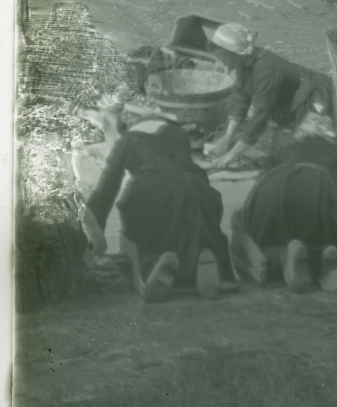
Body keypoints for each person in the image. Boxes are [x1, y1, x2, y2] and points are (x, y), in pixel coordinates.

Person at [82, 110, 236, 303]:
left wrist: (92, 238)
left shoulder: (126, 140)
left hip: (151, 188)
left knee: (145, 231)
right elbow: (178, 186)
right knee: (191, 223)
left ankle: (154, 264)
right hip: (199, 188)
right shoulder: (179, 134)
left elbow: (105, 192)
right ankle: (201, 258)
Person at [230, 120, 337, 294]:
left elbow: (263, 177)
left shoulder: (285, 149)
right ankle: (325, 258)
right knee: (325, 233)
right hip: (321, 185)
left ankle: (284, 256)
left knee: (263, 237)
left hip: (277, 183)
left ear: (301, 135)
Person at [206, 24, 335, 171]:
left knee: (307, 152)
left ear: (237, 54)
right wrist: (227, 136)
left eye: (224, 58)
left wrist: (231, 156)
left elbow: (261, 116)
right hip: (286, 96)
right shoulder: (243, 63)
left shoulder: (266, 71)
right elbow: (241, 98)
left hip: (311, 95)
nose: (223, 63)